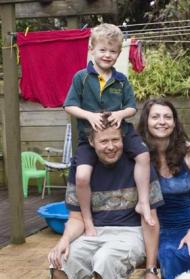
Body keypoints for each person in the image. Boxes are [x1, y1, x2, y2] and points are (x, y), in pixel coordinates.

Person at [38, 122, 165, 279]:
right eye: (104, 141)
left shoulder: (139, 166)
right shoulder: (82, 167)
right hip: (93, 231)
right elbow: (75, 218)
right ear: (92, 143)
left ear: (123, 140)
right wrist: (63, 241)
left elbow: (151, 221)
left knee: (106, 259)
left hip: (130, 232)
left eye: (115, 140)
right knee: (60, 261)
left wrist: (151, 268)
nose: (110, 146)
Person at [64, 23, 154, 236]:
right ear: (91, 50)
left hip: (120, 132)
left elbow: (132, 107)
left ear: (118, 53)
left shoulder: (122, 81)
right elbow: (69, 105)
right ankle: (87, 219)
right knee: (82, 176)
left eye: (113, 51)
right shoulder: (81, 78)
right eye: (102, 50)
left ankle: (142, 202)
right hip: (89, 137)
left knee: (143, 155)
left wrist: (121, 114)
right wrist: (89, 115)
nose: (107, 55)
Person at [137, 98, 190, 279]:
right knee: (169, 252)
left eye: (167, 117)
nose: (162, 121)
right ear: (146, 121)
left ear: (174, 122)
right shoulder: (138, 155)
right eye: (155, 117)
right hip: (161, 228)